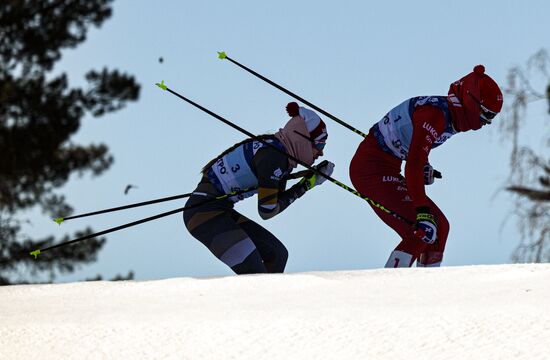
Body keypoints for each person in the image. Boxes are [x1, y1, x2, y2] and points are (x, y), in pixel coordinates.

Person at [349, 65, 503, 267]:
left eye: (492, 117)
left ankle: (425, 288)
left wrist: (425, 166)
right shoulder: (435, 116)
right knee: (424, 229)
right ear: (471, 101)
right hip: (371, 171)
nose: (487, 122)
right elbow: (413, 164)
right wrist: (421, 209)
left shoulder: (452, 114)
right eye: (486, 115)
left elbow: (418, 151)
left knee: (440, 227)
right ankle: (388, 288)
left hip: (387, 165)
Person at [184, 103, 335, 274]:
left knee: (277, 254)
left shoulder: (278, 152)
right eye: (320, 145)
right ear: (302, 138)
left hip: (217, 209)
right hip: (203, 213)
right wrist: (307, 185)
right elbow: (267, 210)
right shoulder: (274, 157)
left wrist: (306, 180)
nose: (321, 153)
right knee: (255, 273)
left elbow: (275, 198)